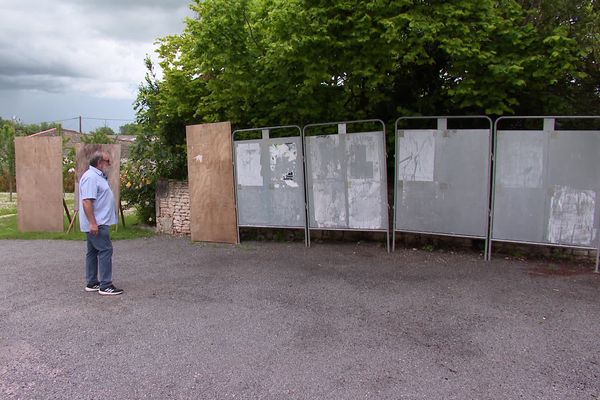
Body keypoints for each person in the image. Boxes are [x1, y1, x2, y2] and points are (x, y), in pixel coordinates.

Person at [79, 150, 123, 296]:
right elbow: (87, 201)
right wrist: (93, 223)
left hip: (98, 221)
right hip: (97, 222)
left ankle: (92, 282)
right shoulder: (91, 177)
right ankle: (106, 285)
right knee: (105, 250)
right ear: (99, 163)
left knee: (92, 252)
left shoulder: (97, 176)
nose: (109, 164)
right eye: (107, 161)